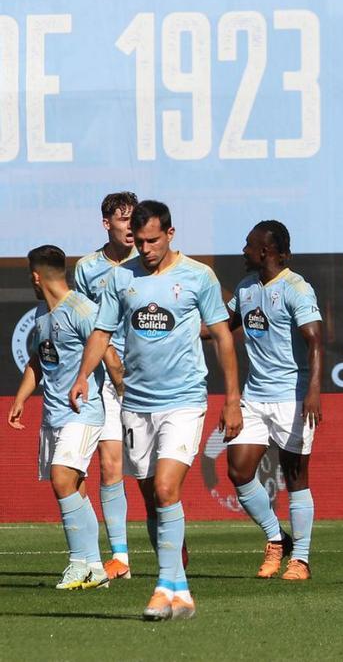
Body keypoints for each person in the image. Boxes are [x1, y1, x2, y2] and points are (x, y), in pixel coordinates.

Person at [69, 200, 243, 621]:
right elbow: (101, 331)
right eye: (139, 241)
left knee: (167, 488)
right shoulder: (120, 278)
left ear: (170, 233)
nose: (144, 249)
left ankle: (162, 586)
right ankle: (180, 589)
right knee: (152, 499)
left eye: (151, 240)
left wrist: (232, 399)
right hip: (136, 403)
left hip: (183, 401)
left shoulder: (198, 276)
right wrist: (82, 376)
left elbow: (222, 336)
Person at [7, 245, 119, 590]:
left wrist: (127, 397)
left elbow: (110, 356)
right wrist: (21, 398)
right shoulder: (42, 315)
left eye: (30, 274)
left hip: (83, 413)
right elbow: (38, 362)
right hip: (53, 416)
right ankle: (97, 569)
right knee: (74, 488)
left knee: (61, 480)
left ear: (36, 276)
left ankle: (77, 563)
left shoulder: (83, 309)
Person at [224, 221, 323, 580]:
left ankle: (301, 559)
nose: (243, 251)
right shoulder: (246, 287)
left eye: (248, 245)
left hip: (290, 399)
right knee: (237, 471)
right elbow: (222, 326)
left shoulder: (296, 288)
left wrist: (312, 391)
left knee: (295, 477)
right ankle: (275, 537)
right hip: (254, 397)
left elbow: (315, 340)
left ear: (265, 251)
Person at [73, 191, 138, 580]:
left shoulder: (148, 263)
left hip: (147, 379)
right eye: (122, 220)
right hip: (106, 382)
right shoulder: (87, 268)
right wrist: (106, 363)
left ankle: (169, 531)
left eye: (134, 219)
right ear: (106, 223)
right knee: (110, 465)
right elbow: (87, 324)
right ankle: (121, 559)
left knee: (149, 472)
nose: (129, 228)